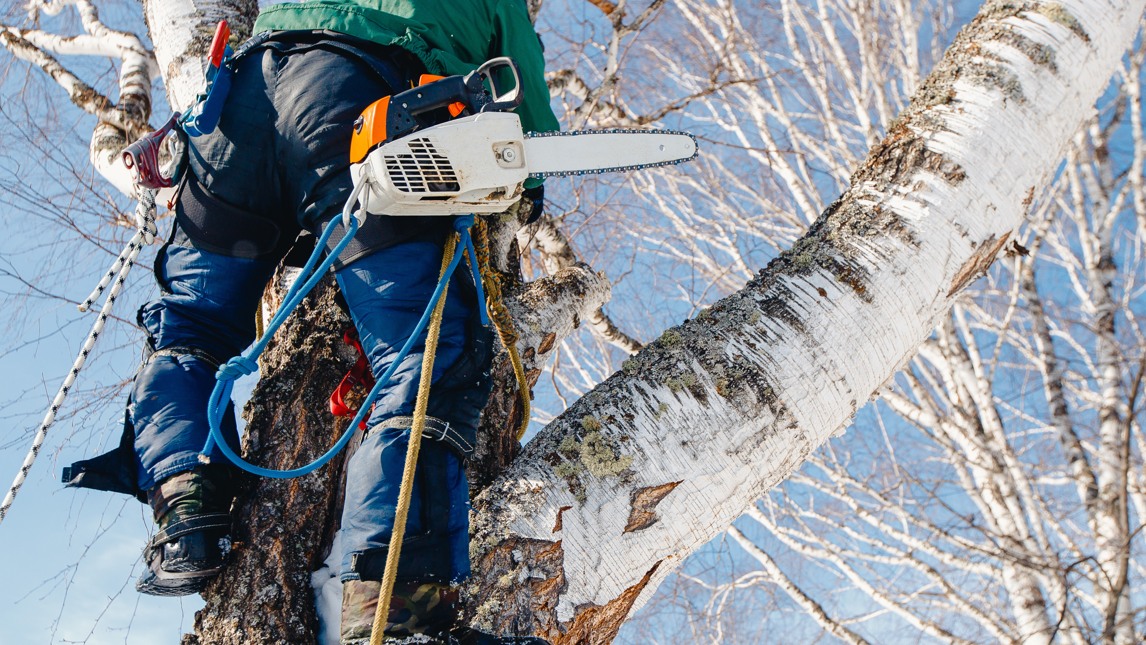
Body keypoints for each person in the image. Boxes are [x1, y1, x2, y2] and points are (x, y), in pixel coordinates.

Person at [61, 1, 558, 643]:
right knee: (424, 356)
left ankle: (186, 498)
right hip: (353, 107)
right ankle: (395, 605)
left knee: (189, 331)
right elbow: (530, 100)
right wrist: (532, 181)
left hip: (232, 114)